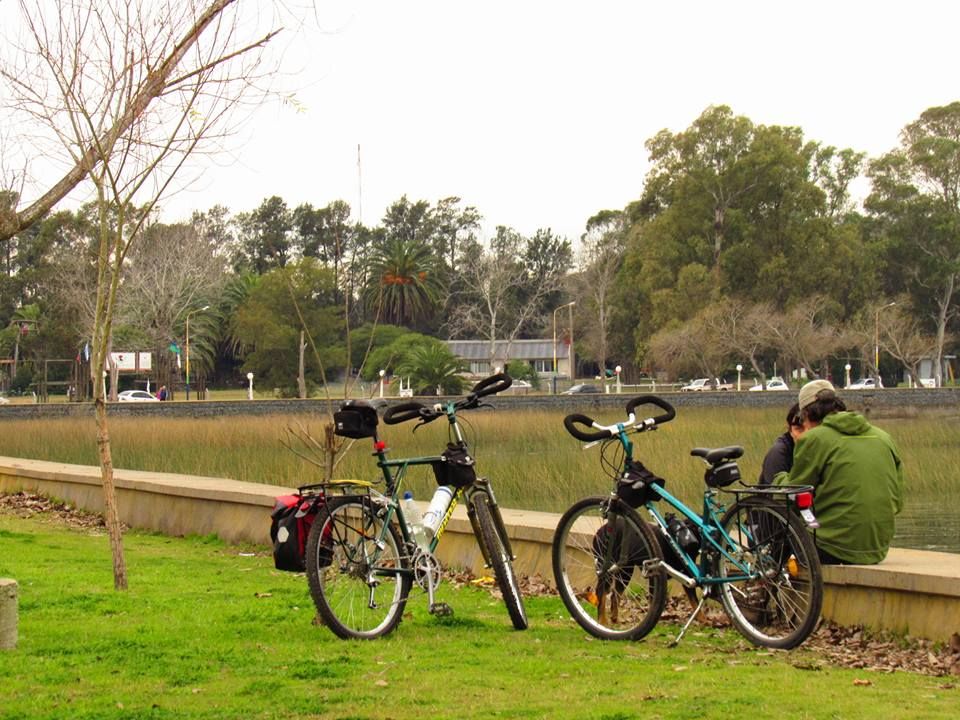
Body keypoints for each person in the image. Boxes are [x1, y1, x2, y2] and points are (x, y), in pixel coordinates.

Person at [776, 379, 904, 565]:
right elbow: (898, 502)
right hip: (878, 548)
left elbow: (793, 495)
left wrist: (779, 479)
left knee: (779, 533)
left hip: (831, 548)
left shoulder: (814, 439)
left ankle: (764, 585)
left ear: (805, 415)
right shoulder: (883, 437)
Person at [758, 402, 803, 485]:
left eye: (809, 428)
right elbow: (774, 494)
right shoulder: (778, 453)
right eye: (798, 429)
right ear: (790, 431)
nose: (804, 434)